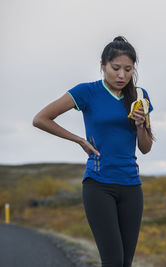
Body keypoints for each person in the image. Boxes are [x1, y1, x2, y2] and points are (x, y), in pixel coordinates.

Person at [32, 35, 155, 267]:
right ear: (102, 65)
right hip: (99, 186)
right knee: (113, 261)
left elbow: (146, 148)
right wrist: (78, 139)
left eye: (128, 69)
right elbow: (41, 119)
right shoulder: (86, 92)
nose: (122, 75)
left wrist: (141, 125)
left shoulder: (139, 96)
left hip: (131, 187)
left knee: (125, 263)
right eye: (116, 68)